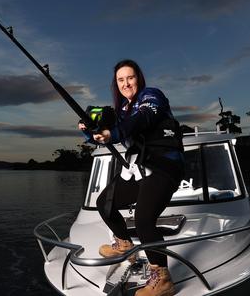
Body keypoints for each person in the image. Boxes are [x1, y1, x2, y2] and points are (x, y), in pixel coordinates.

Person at [79, 59, 184, 296]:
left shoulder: (152, 97)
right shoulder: (121, 113)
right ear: (116, 85)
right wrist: (90, 131)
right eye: (121, 80)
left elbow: (143, 118)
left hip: (164, 166)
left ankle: (163, 279)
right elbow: (105, 132)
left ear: (139, 79)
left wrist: (114, 132)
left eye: (130, 77)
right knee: (104, 204)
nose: (126, 83)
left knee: (144, 219)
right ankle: (125, 244)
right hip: (140, 169)